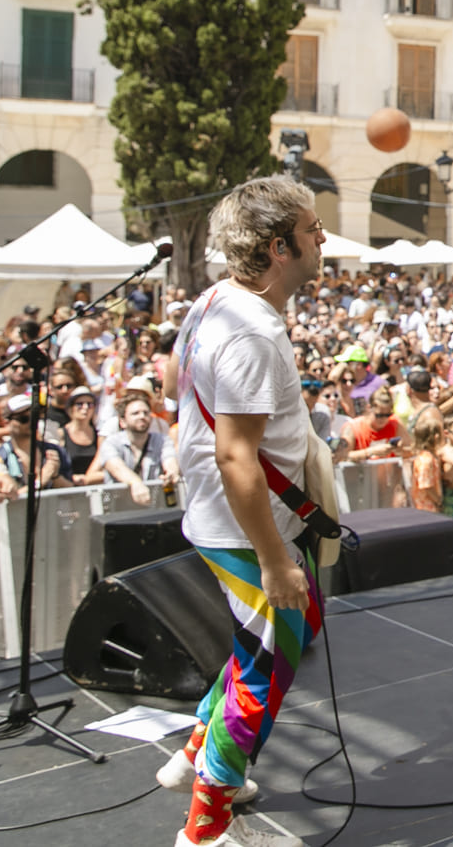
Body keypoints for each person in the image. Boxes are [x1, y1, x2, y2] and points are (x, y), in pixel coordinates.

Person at [154, 176, 327, 847]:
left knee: (276, 636)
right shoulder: (253, 329)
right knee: (268, 663)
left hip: (218, 514)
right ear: (280, 246)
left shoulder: (215, 301)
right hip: (244, 526)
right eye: (312, 229)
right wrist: (274, 559)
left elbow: (173, 381)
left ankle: (197, 750)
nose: (323, 238)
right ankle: (206, 825)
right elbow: (237, 457)